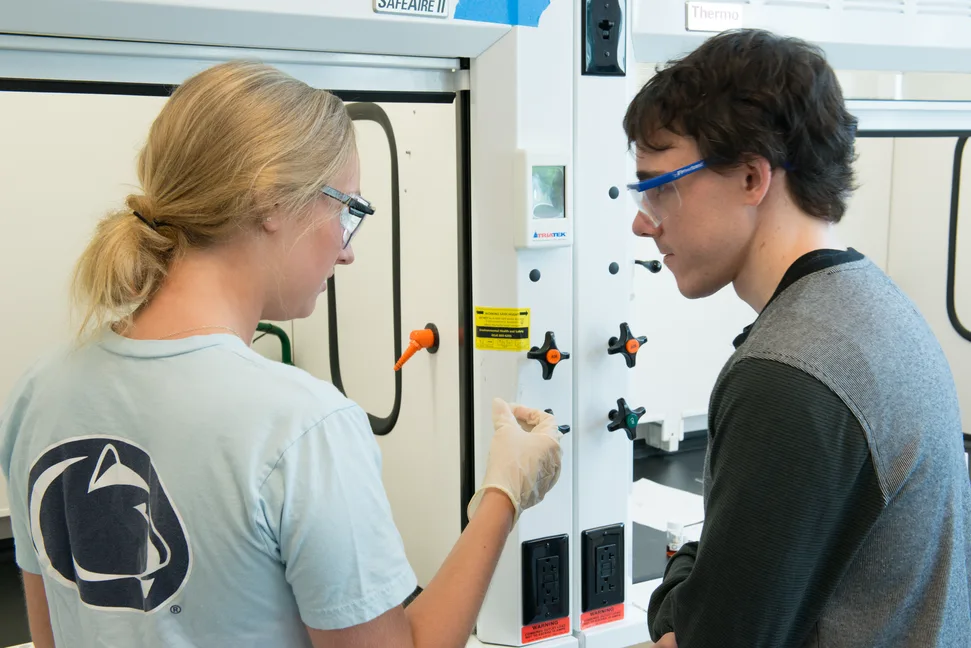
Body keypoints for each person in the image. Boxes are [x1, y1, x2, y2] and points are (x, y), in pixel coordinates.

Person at [0, 60, 564, 648]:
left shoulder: (39, 392)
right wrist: (505, 490)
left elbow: (52, 637)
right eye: (348, 209)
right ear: (270, 200)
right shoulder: (303, 426)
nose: (347, 254)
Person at [623, 29, 971, 648]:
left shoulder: (789, 375)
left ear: (753, 178)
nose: (642, 219)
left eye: (660, 185)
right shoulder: (877, 309)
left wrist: (678, 581)